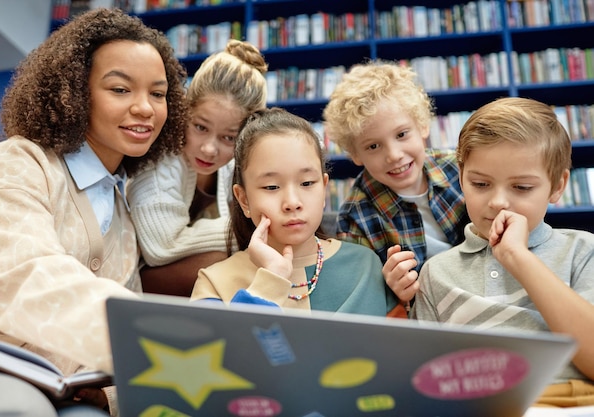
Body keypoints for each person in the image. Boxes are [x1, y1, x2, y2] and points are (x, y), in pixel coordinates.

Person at [0, 8, 189, 417]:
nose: (145, 108)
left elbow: (127, 302)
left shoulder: (122, 205)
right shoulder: (21, 162)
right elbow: (26, 274)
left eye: (158, 94)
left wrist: (111, 396)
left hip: (65, 386)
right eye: (121, 89)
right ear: (72, 91)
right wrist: (147, 336)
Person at [411, 97, 594, 407]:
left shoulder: (582, 250)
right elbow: (423, 380)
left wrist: (518, 259)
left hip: (571, 401)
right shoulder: (436, 272)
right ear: (461, 177)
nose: (498, 202)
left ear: (558, 185)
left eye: (521, 188)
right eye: (481, 184)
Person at [191, 107, 398, 317]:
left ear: (324, 187)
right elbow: (222, 348)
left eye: (307, 183)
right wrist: (269, 283)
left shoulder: (366, 265)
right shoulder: (214, 282)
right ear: (244, 199)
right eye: (271, 187)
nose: (292, 202)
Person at [322, 60, 468, 311]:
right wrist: (393, 291)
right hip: (428, 313)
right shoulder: (355, 217)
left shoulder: (460, 168)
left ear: (422, 125)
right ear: (355, 154)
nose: (394, 155)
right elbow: (367, 298)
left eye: (401, 135)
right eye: (373, 146)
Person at [127, 39, 268, 297]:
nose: (209, 149)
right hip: (137, 283)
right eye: (200, 128)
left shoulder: (232, 167)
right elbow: (162, 247)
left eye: (228, 138)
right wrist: (249, 228)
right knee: (225, 260)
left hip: (182, 280)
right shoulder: (162, 160)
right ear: (184, 111)